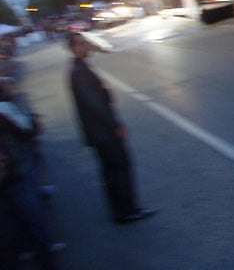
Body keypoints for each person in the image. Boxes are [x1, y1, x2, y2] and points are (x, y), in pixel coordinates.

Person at [65, 32, 156, 225]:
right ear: (74, 48)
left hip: (99, 132)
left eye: (86, 43)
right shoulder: (79, 71)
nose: (87, 46)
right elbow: (94, 104)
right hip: (103, 133)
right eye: (82, 44)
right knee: (120, 168)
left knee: (111, 171)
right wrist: (115, 126)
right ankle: (128, 210)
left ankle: (121, 210)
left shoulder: (79, 67)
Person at [0, 76, 65, 268]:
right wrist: (34, 121)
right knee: (34, 220)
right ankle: (45, 259)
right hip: (15, 174)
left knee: (10, 228)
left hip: (9, 175)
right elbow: (26, 130)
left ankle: (24, 252)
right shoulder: (4, 109)